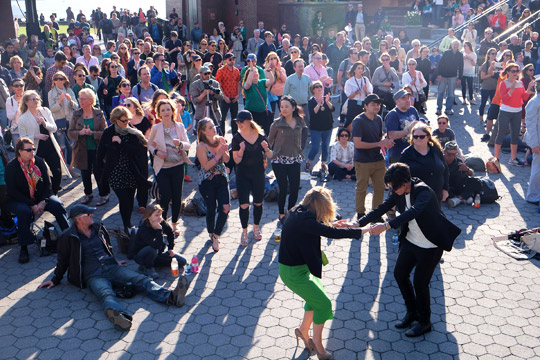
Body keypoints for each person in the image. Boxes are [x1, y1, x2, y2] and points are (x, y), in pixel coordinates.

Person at [38, 204, 190, 331]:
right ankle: (120, 317)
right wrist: (55, 279)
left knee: (141, 279)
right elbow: (63, 259)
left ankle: (171, 297)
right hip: (92, 274)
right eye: (88, 214)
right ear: (79, 219)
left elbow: (107, 247)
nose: (92, 215)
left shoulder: (98, 228)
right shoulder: (68, 236)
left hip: (111, 266)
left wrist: (115, 260)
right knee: (106, 293)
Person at [358, 162, 461, 337]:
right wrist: (358, 223)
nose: (393, 190)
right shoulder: (397, 191)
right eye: (390, 186)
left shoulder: (423, 191)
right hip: (411, 241)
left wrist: (387, 226)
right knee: (400, 274)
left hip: (430, 246)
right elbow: (382, 208)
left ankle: (424, 322)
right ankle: (412, 312)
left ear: (405, 182)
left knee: (420, 283)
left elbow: (413, 211)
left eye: (394, 186)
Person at [279, 187, 366, 359]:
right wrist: (363, 231)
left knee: (315, 300)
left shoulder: (299, 211)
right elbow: (329, 233)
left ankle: (303, 330)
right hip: (293, 273)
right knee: (324, 304)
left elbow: (318, 227)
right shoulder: (304, 220)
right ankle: (317, 345)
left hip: (298, 268)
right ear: (319, 207)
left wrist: (334, 223)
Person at [6, 138, 69, 263]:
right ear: (19, 151)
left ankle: (70, 235)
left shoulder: (39, 162)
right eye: (28, 150)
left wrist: (43, 201)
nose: (32, 152)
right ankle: (24, 247)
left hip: (40, 197)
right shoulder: (12, 167)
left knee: (57, 204)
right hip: (19, 199)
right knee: (24, 212)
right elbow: (13, 191)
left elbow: (47, 184)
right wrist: (32, 204)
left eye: (33, 149)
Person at [96, 106, 148, 233]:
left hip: (131, 171)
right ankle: (127, 225)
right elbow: (100, 154)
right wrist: (100, 174)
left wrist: (121, 142)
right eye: (124, 121)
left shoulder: (132, 132)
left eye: (128, 120)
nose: (127, 123)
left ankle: (127, 223)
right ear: (115, 120)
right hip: (115, 172)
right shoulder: (108, 133)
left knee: (130, 200)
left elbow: (136, 150)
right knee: (123, 199)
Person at [148, 99, 190, 235]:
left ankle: (174, 224)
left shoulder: (179, 126)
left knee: (177, 196)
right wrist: (156, 152)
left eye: (168, 109)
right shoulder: (156, 128)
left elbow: (188, 144)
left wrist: (181, 144)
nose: (166, 112)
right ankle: (163, 223)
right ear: (159, 113)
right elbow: (148, 145)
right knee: (165, 197)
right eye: (163, 110)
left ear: (172, 111)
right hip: (162, 168)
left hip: (177, 166)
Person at [231, 111, 273, 245]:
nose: (239, 124)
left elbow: (271, 155)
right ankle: (244, 232)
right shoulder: (237, 138)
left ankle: (256, 227)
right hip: (242, 175)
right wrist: (241, 150)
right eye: (237, 122)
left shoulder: (260, 136)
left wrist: (266, 149)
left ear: (249, 122)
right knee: (244, 205)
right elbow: (236, 161)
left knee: (258, 203)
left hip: (258, 174)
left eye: (241, 121)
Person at [18, 91, 69, 194]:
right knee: (41, 173)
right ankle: (45, 194)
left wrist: (44, 123)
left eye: (37, 99)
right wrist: (36, 136)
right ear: (26, 102)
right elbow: (22, 138)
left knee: (57, 171)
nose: (36, 101)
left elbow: (54, 128)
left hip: (50, 145)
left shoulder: (45, 111)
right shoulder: (23, 118)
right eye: (33, 99)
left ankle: (54, 193)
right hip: (36, 149)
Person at [352, 94, 394, 219]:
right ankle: (360, 214)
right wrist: (380, 143)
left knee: (380, 187)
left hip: (378, 159)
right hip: (363, 161)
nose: (376, 107)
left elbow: (379, 137)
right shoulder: (358, 121)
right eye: (373, 104)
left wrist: (386, 142)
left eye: (378, 104)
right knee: (362, 188)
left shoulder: (378, 119)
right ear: (365, 106)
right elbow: (358, 144)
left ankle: (376, 214)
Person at [268, 95, 308, 223]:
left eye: (286, 106)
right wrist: (266, 155)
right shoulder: (277, 123)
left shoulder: (300, 121)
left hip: (295, 159)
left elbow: (305, 133)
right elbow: (269, 141)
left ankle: (290, 211)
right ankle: (281, 214)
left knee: (295, 188)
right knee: (283, 188)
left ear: (293, 108)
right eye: (282, 106)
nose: (284, 109)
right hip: (279, 161)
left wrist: (300, 148)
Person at [196, 118, 230, 252]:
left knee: (225, 208)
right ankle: (211, 232)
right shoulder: (201, 146)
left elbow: (227, 160)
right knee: (211, 208)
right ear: (203, 131)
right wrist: (218, 154)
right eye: (209, 127)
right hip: (207, 181)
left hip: (221, 178)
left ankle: (216, 235)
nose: (213, 128)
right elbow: (206, 166)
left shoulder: (220, 139)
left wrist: (225, 151)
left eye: (213, 126)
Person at [69, 89, 108, 205]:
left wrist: (93, 134)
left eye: (83, 99)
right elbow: (70, 132)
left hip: (97, 149)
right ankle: (88, 194)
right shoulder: (76, 114)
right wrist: (80, 133)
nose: (80, 101)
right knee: (85, 174)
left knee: (99, 172)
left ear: (91, 100)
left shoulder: (99, 113)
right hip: (82, 150)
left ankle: (104, 194)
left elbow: (105, 133)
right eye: (79, 98)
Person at [494, 62, 535, 166]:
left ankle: (513, 159)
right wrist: (511, 89)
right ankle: (496, 158)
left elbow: (524, 97)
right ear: (508, 72)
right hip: (505, 111)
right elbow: (504, 99)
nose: (515, 73)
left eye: (517, 71)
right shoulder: (503, 83)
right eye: (513, 71)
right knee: (501, 134)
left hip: (517, 111)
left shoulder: (520, 83)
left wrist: (529, 90)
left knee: (515, 135)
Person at [133, 204, 187, 279]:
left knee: (182, 261)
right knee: (152, 249)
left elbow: (170, 233)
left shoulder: (160, 221)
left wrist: (170, 248)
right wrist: (159, 230)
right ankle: (147, 267)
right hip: (142, 256)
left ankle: (155, 263)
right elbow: (156, 245)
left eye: (160, 215)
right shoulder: (143, 228)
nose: (159, 218)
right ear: (148, 216)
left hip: (157, 253)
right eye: (156, 215)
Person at [400, 123, 449, 202]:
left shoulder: (436, 150)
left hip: (435, 195)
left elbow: (445, 169)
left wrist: (445, 189)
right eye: (415, 137)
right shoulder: (407, 153)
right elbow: (397, 175)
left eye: (422, 136)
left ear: (428, 137)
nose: (418, 139)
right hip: (415, 197)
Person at [48, 71, 78, 177]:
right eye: (57, 79)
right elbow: (52, 109)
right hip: (58, 122)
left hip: (70, 121)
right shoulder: (51, 93)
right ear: (54, 81)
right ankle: (63, 171)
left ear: (65, 80)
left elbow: (76, 106)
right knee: (62, 147)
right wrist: (59, 101)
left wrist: (70, 101)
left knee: (71, 146)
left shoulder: (69, 90)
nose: (59, 81)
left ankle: (70, 168)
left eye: (62, 79)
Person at [306, 81, 334, 174]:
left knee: (325, 146)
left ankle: (323, 164)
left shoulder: (326, 98)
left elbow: (332, 109)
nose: (319, 88)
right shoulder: (311, 100)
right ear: (313, 90)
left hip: (327, 127)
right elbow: (313, 113)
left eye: (320, 86)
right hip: (316, 128)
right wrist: (319, 103)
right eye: (317, 87)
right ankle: (308, 161)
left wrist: (327, 102)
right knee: (316, 147)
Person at [385, 89, 420, 164]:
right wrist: (408, 130)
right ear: (397, 101)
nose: (407, 100)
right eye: (403, 98)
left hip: (414, 151)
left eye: (408, 98)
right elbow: (391, 135)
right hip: (398, 154)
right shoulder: (393, 115)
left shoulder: (413, 110)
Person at [242, 62, 275, 136]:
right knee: (252, 133)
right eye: (253, 73)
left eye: (257, 73)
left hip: (262, 113)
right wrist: (251, 70)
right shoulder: (247, 85)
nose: (256, 74)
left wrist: (269, 71)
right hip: (251, 113)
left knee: (263, 134)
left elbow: (271, 81)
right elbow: (248, 84)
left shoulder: (262, 82)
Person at [215, 53, 241, 135]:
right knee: (222, 119)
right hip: (224, 99)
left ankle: (235, 137)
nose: (232, 61)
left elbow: (238, 83)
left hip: (234, 97)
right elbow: (218, 84)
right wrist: (224, 96)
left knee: (235, 119)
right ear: (225, 61)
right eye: (230, 59)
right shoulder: (220, 71)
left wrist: (238, 95)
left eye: (233, 59)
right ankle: (222, 137)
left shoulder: (236, 70)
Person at [436, 40, 463, 116]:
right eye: (454, 44)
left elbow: (461, 67)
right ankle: (438, 108)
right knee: (441, 92)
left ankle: (448, 109)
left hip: (453, 76)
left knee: (451, 94)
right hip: (443, 75)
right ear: (451, 45)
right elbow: (440, 64)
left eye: (457, 44)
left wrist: (460, 78)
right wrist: (439, 74)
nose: (455, 46)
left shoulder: (460, 55)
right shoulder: (446, 53)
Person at [525, 75, 540, 203]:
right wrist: (535, 144)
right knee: (537, 169)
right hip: (538, 141)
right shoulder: (534, 102)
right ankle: (533, 196)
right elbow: (530, 125)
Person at [283, 59, 312, 127]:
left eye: (302, 66)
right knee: (294, 125)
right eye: (299, 66)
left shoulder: (307, 78)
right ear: (294, 68)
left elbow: (310, 93)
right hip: (294, 107)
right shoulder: (289, 79)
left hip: (305, 105)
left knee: (305, 125)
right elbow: (285, 94)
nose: (301, 68)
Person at [479, 48, 499, 123]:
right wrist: (491, 74)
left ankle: (488, 119)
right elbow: (482, 77)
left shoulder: (498, 63)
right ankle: (481, 118)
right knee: (483, 103)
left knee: (493, 104)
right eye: (492, 53)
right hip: (485, 87)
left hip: (494, 88)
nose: (494, 55)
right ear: (489, 55)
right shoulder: (485, 64)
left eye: (495, 53)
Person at [6, 78, 24, 147]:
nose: (19, 87)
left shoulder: (28, 97)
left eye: (21, 85)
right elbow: (10, 117)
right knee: (18, 151)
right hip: (16, 130)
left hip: (29, 129)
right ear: (13, 88)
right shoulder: (9, 100)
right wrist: (19, 109)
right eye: (16, 86)